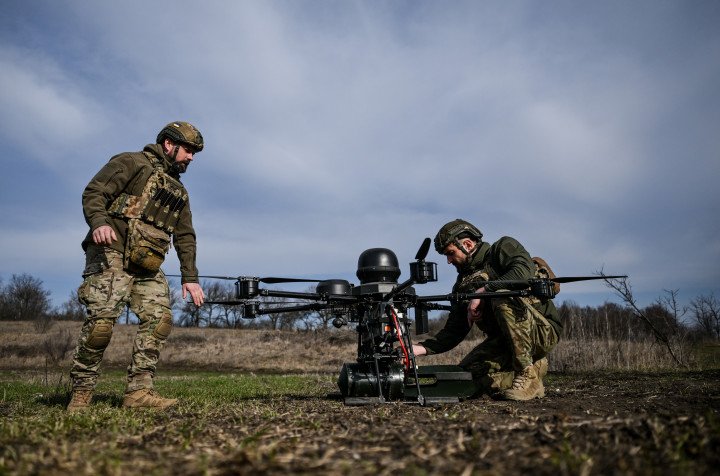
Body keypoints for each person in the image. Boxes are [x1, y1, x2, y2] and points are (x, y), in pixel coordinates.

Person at [67, 121, 206, 411]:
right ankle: (81, 393)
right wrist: (99, 222)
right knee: (101, 326)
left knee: (160, 320)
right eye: (188, 150)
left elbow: (184, 235)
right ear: (169, 144)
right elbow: (94, 192)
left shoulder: (178, 191)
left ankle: (138, 393)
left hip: (148, 263)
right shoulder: (130, 162)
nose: (191, 157)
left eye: (194, 152)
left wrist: (189, 277)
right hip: (111, 253)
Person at [412, 219, 561, 400]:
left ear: (467, 244)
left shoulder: (502, 248)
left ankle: (526, 373)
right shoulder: (462, 285)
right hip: (503, 343)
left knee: (501, 295)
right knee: (465, 378)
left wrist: (482, 293)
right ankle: (532, 370)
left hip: (540, 332)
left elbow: (523, 273)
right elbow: (454, 331)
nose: (449, 261)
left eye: (450, 253)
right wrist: (420, 349)